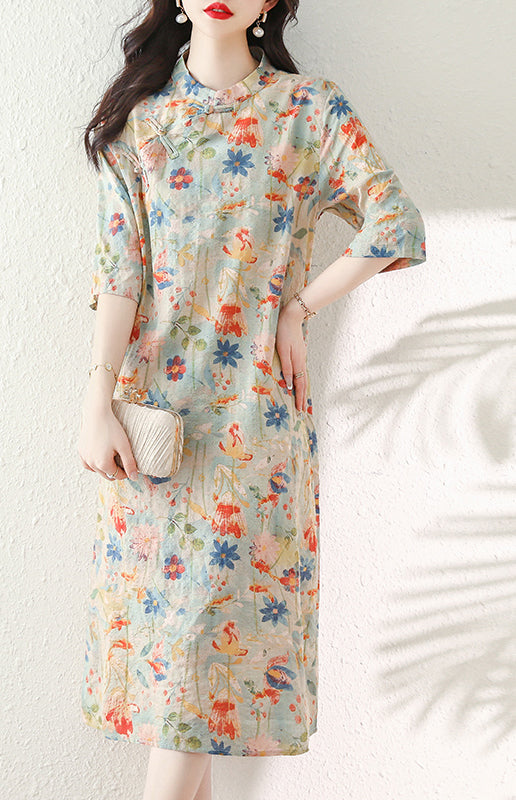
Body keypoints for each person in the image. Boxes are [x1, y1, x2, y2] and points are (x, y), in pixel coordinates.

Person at [77, 1, 427, 798]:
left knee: (197, 683)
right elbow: (119, 273)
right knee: (181, 689)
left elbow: (395, 220)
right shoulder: (141, 123)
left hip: (255, 435)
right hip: (154, 434)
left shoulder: (308, 112)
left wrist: (299, 308)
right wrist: (96, 396)